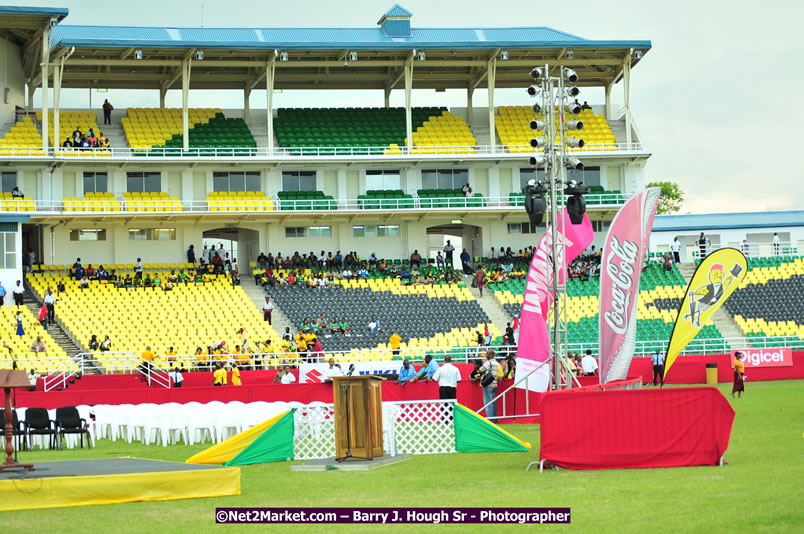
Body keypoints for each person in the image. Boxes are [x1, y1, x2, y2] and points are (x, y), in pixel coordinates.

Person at [480, 349, 500, 421]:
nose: (486, 355)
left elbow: (481, 369)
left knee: (488, 402)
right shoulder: (496, 363)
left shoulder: (488, 363)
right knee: (493, 402)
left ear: (491, 355)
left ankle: (491, 419)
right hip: (495, 383)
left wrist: (483, 363)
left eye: (487, 354)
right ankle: (495, 418)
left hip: (488, 384)